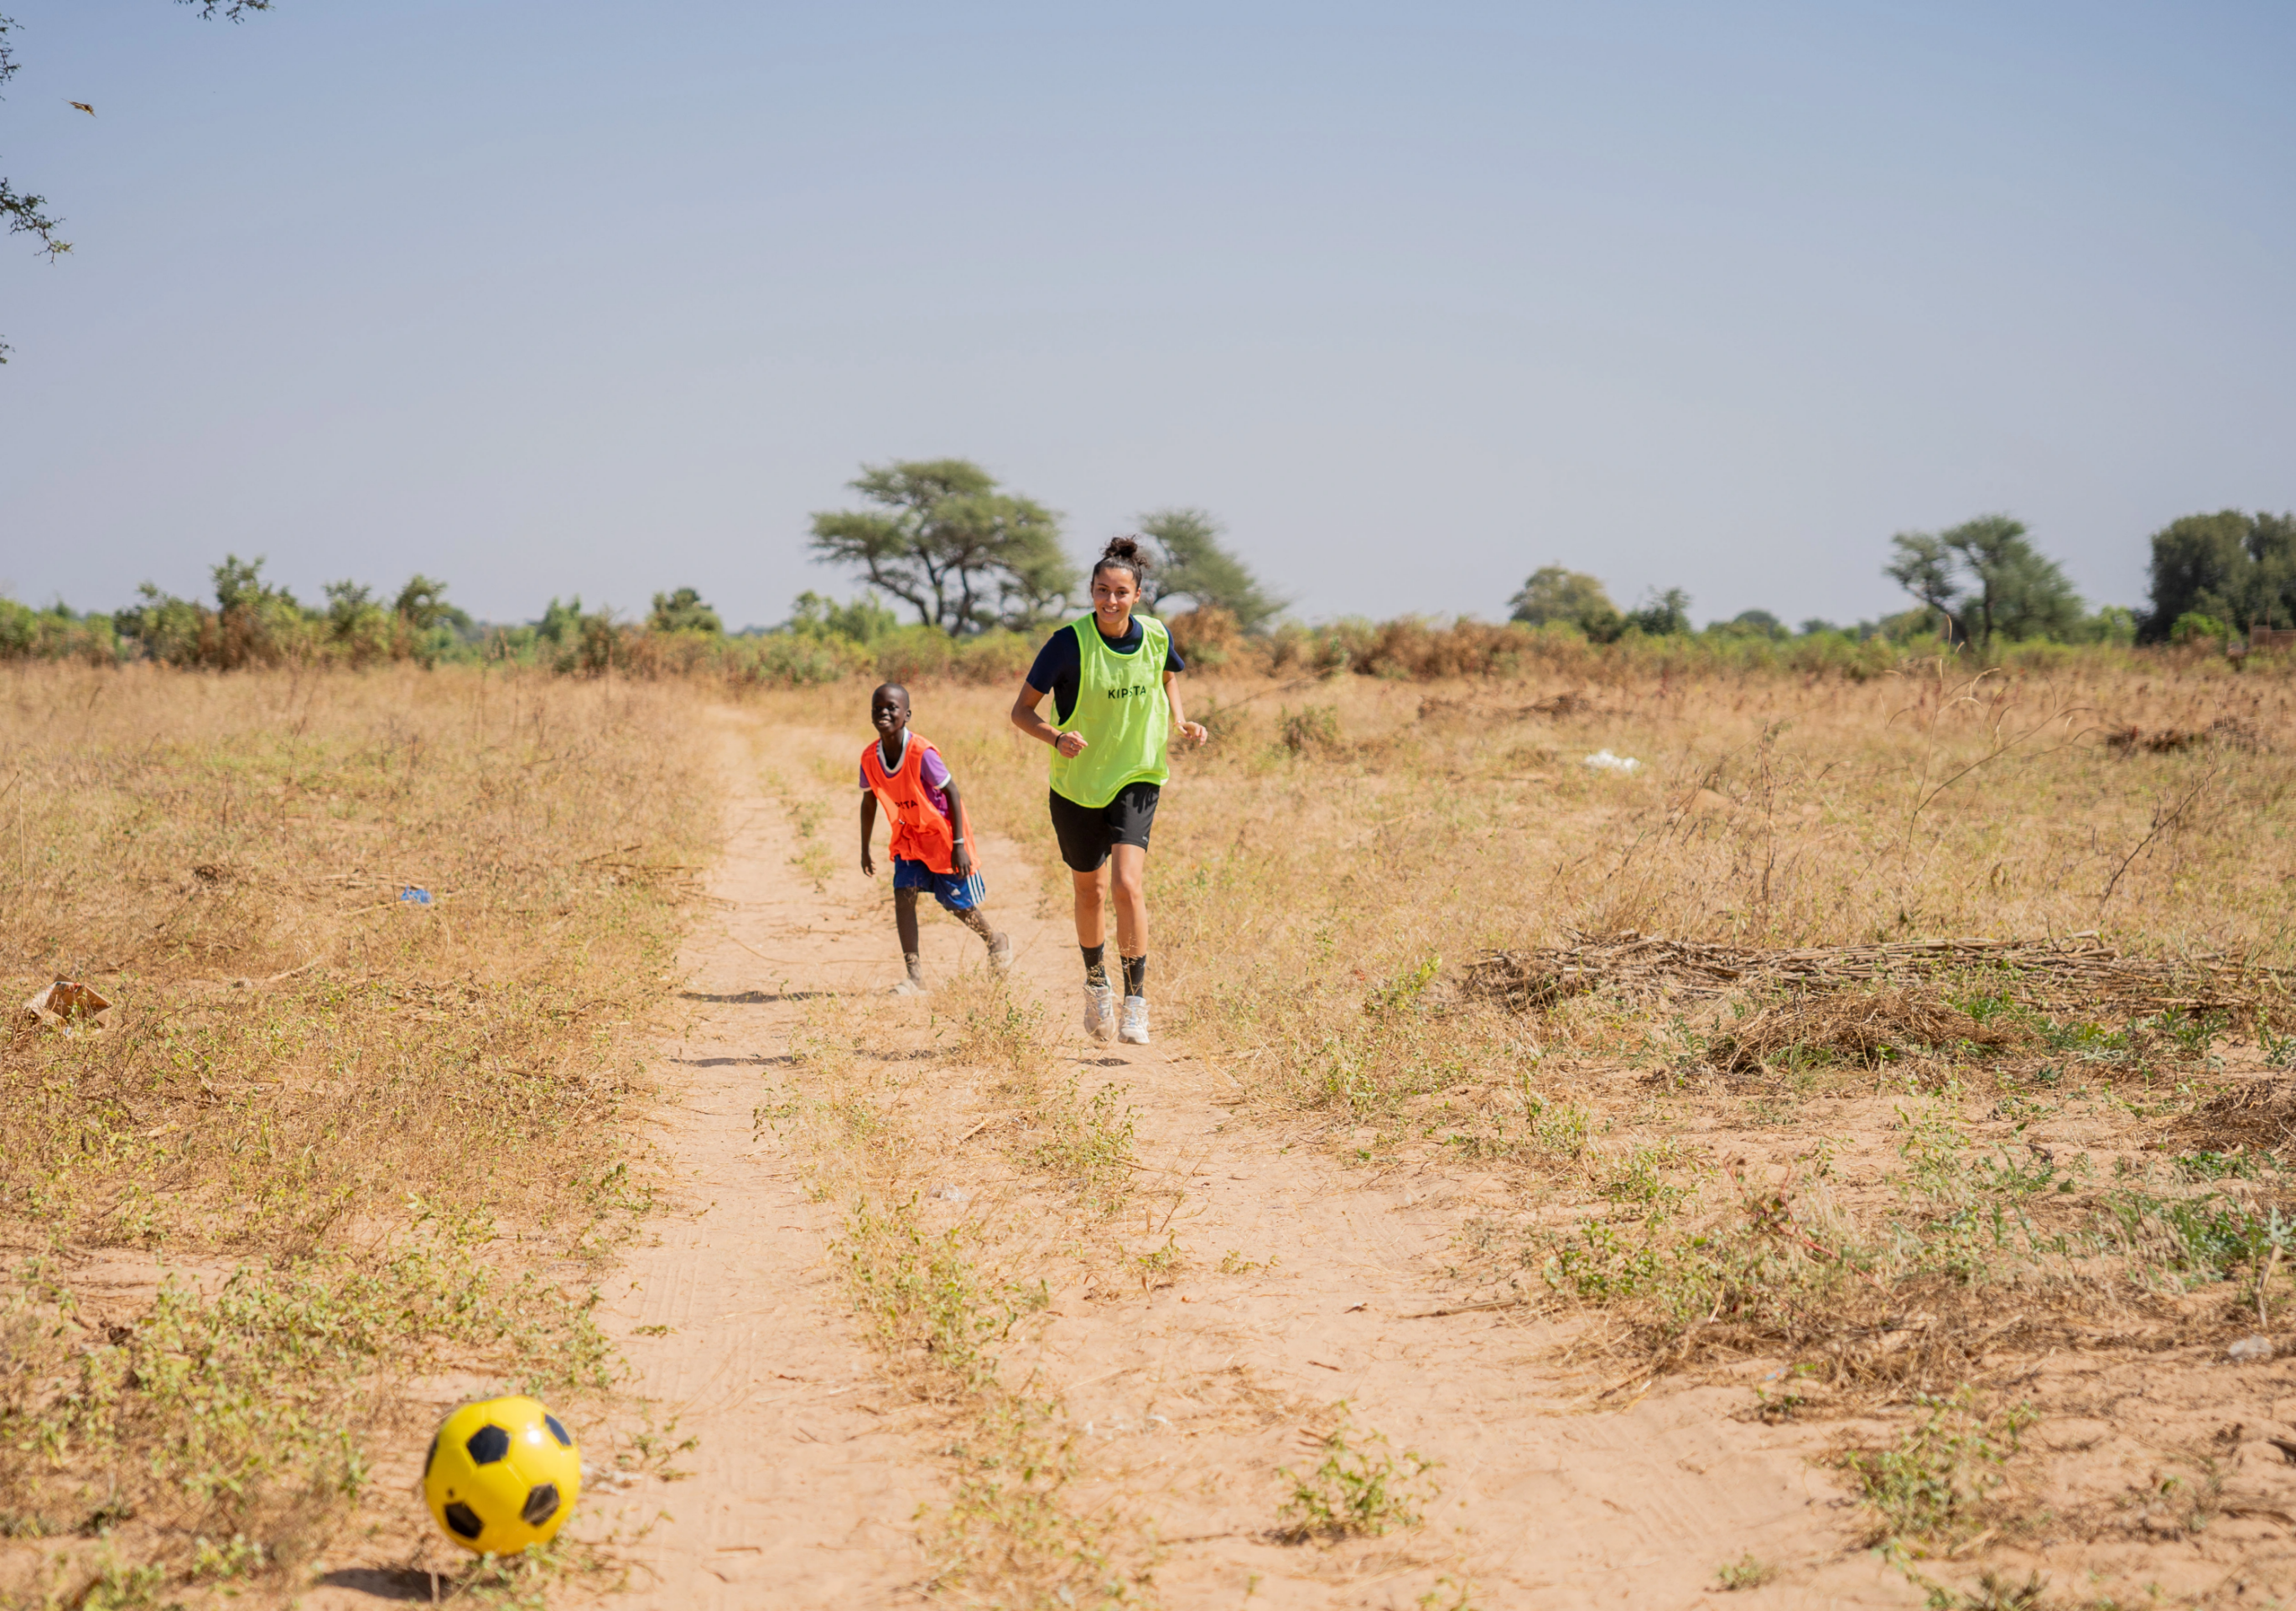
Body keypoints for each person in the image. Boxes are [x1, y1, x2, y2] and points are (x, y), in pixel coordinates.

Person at [1009, 537, 1208, 1044]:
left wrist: (1181, 721)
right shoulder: (1067, 643)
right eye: (1102, 591)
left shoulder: (1157, 636)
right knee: (1090, 891)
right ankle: (1097, 987)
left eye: (1121, 592)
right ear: (1092, 592)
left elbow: (1167, 676)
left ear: (1137, 594)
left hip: (1137, 774)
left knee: (1126, 885)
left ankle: (1136, 1002)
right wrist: (1056, 737)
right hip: (1076, 786)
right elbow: (1021, 712)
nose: (1111, 601)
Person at [859, 683, 1011, 994]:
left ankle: (994, 939)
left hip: (942, 836)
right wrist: (864, 849)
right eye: (878, 708)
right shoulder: (869, 758)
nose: (884, 713)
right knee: (904, 894)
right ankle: (915, 977)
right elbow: (869, 801)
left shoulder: (921, 753)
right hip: (909, 836)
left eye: (892, 707)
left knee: (956, 904)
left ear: (907, 714)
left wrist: (959, 846)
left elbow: (952, 793)